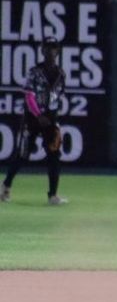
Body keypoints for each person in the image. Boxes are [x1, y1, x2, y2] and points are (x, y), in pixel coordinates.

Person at [1, 38, 67, 205]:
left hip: (51, 119)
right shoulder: (35, 72)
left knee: (54, 155)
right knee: (23, 154)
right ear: (42, 50)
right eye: (48, 48)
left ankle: (53, 195)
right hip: (33, 118)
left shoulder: (61, 74)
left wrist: (53, 116)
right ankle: (6, 186)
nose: (51, 51)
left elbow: (58, 96)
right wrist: (38, 115)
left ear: (58, 51)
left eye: (54, 48)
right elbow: (29, 96)